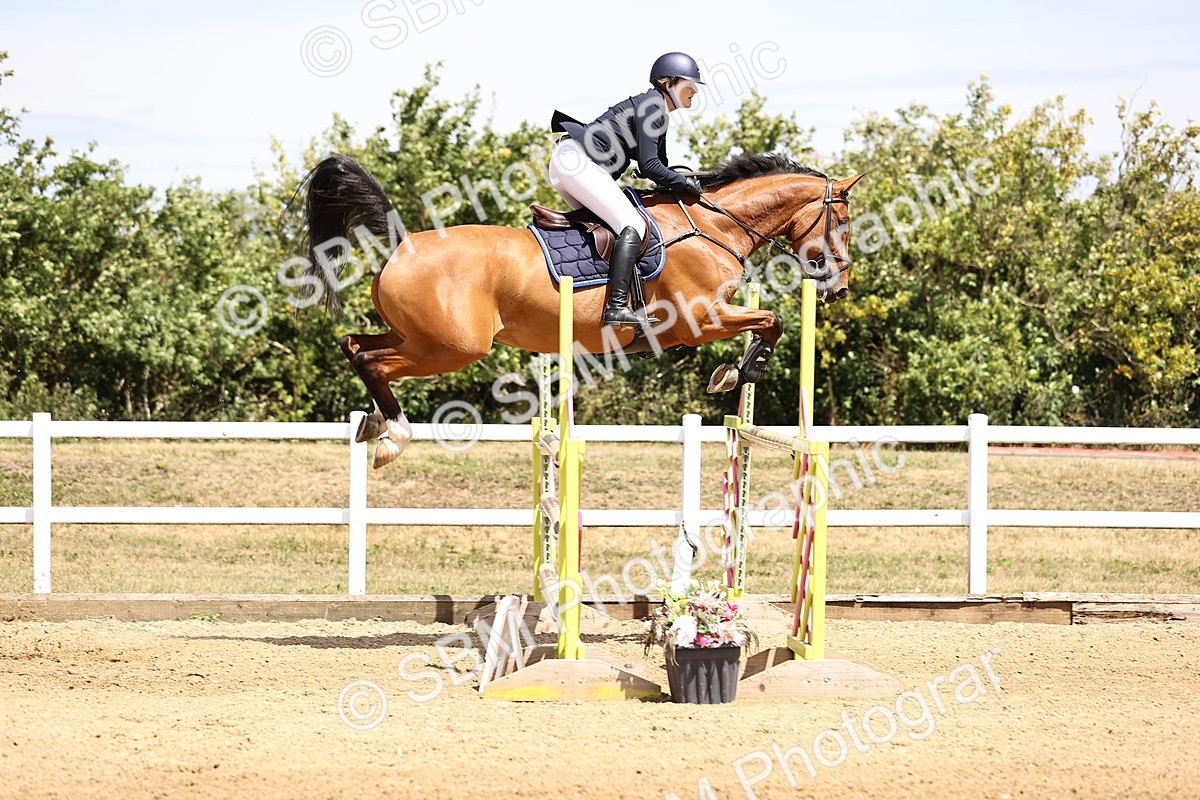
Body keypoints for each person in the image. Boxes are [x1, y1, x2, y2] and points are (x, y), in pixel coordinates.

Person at [549, 52, 704, 327]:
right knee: (633, 224)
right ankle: (616, 307)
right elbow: (650, 167)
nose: (694, 90)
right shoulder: (653, 107)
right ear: (667, 82)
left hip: (570, 162)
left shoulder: (655, 107)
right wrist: (685, 184)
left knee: (607, 230)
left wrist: (687, 180)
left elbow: (662, 167)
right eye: (688, 84)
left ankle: (594, 296)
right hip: (577, 162)